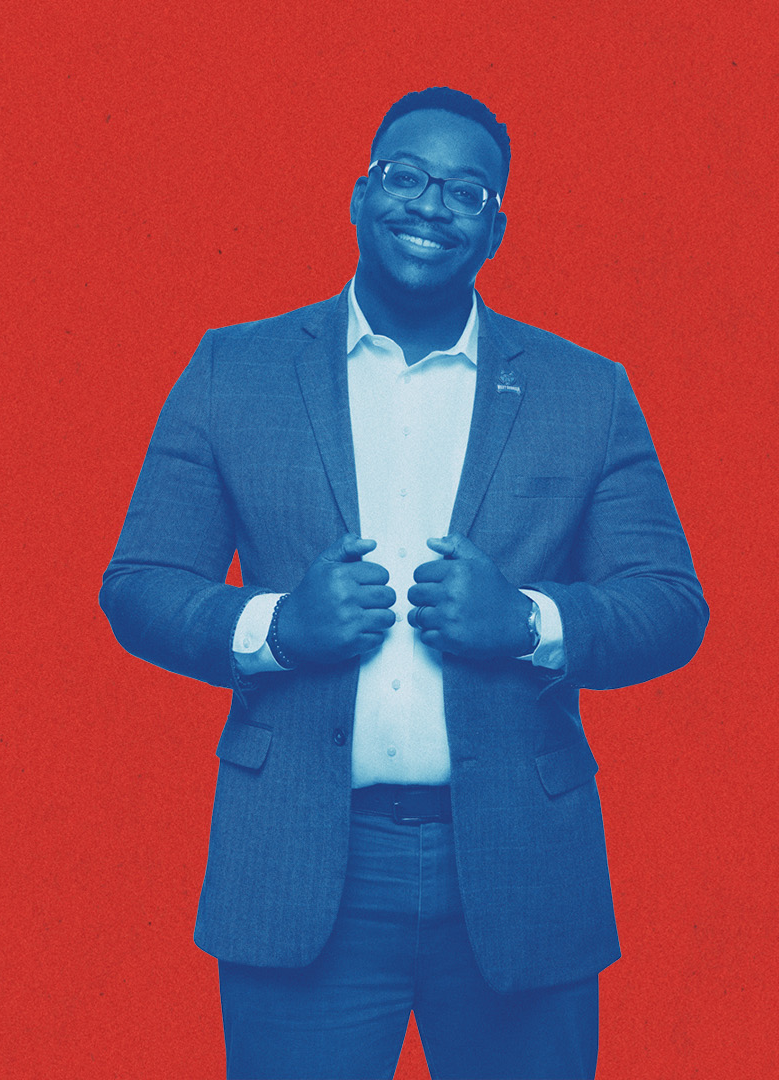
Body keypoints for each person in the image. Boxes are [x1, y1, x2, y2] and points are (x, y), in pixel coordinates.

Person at [99, 87, 706, 1080]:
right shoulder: (232, 370)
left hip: (517, 873)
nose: (431, 204)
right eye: (406, 177)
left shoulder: (584, 389)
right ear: (358, 193)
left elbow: (669, 607)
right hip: (300, 870)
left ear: (494, 223)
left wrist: (528, 622)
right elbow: (138, 584)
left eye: (465, 190)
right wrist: (273, 627)